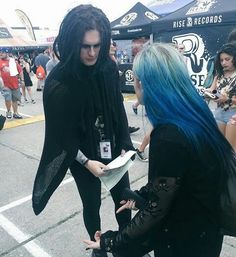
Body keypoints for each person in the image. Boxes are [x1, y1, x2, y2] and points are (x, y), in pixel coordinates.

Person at [84, 43, 236, 257]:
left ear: (144, 84)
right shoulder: (195, 115)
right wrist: (139, 196)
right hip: (206, 231)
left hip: (184, 241)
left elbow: (157, 211)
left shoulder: (168, 135)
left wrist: (111, 242)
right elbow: (176, 181)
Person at [32, 5, 134, 257]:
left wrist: (125, 142)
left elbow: (117, 108)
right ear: (71, 42)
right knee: (91, 206)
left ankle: (128, 245)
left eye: (97, 46)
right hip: (82, 157)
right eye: (85, 46)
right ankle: (97, 248)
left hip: (113, 152)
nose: (91, 53)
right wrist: (87, 162)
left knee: (124, 202)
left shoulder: (108, 68)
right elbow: (60, 136)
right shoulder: (60, 82)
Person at [207, 43, 236, 151]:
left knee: (231, 149)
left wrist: (227, 99)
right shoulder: (219, 75)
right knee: (220, 148)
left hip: (233, 114)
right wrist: (209, 94)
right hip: (219, 112)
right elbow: (212, 90)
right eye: (221, 60)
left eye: (227, 59)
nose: (224, 62)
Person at [0, 48, 23, 119]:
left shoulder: (13, 61)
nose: (1, 54)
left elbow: (20, 70)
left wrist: (22, 80)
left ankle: (15, 113)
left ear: (7, 53)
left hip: (15, 83)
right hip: (5, 85)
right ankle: (9, 111)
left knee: (15, 99)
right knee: (8, 98)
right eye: (0, 52)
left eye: (2, 52)